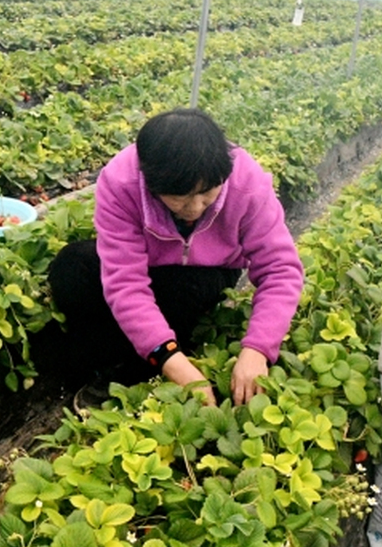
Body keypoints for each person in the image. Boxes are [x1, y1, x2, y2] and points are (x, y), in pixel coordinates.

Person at [46, 108, 305, 406]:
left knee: (182, 296)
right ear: (151, 185)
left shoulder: (248, 183)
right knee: (72, 268)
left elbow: (280, 269)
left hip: (208, 272)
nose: (195, 208)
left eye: (207, 193)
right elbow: (126, 282)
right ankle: (122, 359)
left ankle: (137, 369)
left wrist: (258, 349)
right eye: (179, 198)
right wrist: (172, 360)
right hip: (150, 263)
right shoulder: (121, 182)